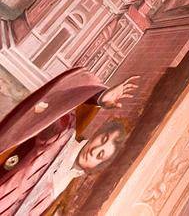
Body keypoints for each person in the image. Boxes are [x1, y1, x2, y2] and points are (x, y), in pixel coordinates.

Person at [0, 69, 137, 214]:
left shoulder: (68, 191)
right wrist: (98, 97)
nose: (94, 150)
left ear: (100, 165)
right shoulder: (63, 136)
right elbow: (61, 99)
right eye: (103, 139)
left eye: (101, 154)